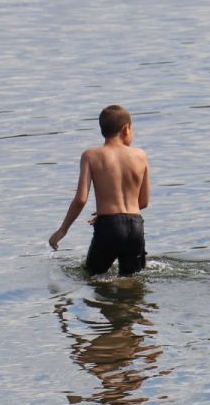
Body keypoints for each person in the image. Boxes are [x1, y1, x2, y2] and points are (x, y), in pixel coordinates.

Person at [49, 104, 150, 277]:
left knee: (91, 277)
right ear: (126, 129)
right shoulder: (141, 155)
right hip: (135, 226)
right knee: (133, 280)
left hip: (109, 227)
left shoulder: (91, 156)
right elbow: (144, 202)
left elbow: (81, 199)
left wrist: (63, 230)